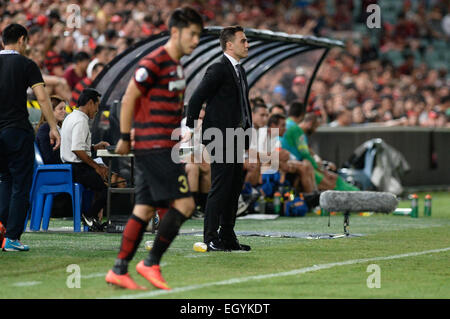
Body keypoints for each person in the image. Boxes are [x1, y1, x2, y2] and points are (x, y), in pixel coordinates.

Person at [105, 6, 203, 290]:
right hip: (155, 146)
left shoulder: (178, 66)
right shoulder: (154, 62)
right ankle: (151, 263)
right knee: (185, 204)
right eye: (192, 34)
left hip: (164, 144)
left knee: (144, 209)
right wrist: (124, 136)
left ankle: (119, 269)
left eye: (198, 34)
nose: (196, 40)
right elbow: (128, 98)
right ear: (175, 32)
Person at [186, 25, 252, 252]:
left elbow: (242, 105)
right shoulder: (218, 68)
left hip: (236, 136)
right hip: (220, 137)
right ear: (229, 44)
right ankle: (210, 236)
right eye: (243, 41)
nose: (247, 44)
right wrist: (190, 125)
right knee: (221, 186)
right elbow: (196, 97)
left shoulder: (239, 70)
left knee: (234, 187)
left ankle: (227, 235)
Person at [0, 23, 61, 251]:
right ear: (23, 40)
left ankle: (1, 228)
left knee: (4, 180)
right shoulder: (26, 64)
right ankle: (12, 237)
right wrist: (53, 127)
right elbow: (43, 98)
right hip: (17, 131)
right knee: (20, 185)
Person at [60, 88, 110, 227]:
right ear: (90, 103)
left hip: (70, 166)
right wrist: (97, 167)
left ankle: (93, 218)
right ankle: (89, 215)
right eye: (97, 105)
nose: (97, 110)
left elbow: (76, 146)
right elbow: (77, 149)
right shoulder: (81, 121)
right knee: (112, 187)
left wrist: (94, 147)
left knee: (106, 183)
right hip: (78, 168)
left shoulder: (71, 117)